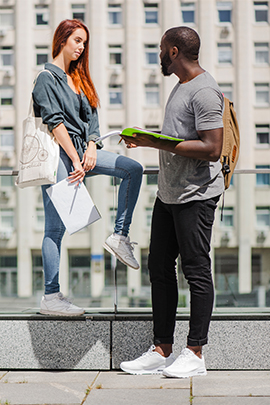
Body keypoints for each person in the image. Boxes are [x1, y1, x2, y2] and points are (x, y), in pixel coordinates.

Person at [120, 26, 224, 378]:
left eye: (162, 48)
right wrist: (150, 138)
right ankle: (162, 349)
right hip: (169, 193)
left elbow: (213, 148)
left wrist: (154, 144)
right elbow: (181, 137)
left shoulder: (205, 91)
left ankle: (194, 353)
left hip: (196, 195)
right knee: (159, 268)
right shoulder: (180, 86)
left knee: (195, 271)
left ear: (175, 51)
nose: (159, 54)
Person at [32, 19, 143, 316]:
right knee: (55, 228)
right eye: (77, 40)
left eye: (84, 42)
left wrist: (92, 147)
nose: (81, 47)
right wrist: (75, 159)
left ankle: (120, 236)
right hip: (59, 156)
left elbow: (92, 122)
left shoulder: (80, 79)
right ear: (62, 40)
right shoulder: (46, 78)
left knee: (132, 169)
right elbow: (54, 123)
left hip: (84, 154)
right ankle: (51, 297)